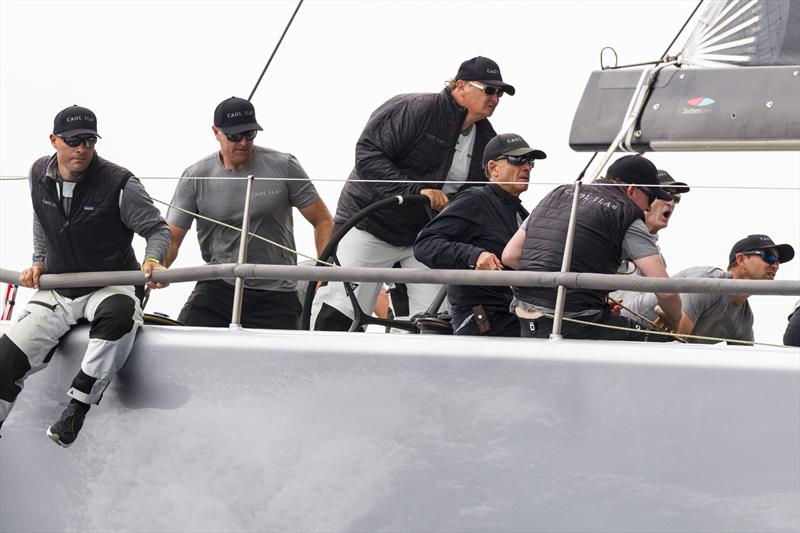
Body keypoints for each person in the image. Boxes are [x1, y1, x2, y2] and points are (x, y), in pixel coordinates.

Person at [0, 105, 170, 446]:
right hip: (59, 288)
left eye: (89, 141)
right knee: (4, 362)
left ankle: (76, 409)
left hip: (110, 284)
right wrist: (38, 261)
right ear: (54, 141)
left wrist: (153, 260)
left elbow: (157, 229)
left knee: (119, 315)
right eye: (73, 141)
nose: (81, 148)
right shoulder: (38, 173)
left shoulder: (121, 183)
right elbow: (41, 217)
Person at [313, 56, 514, 330]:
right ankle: (315, 369)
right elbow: (368, 155)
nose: (496, 97)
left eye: (500, 93)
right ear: (461, 86)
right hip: (370, 226)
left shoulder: (487, 139)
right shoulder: (414, 108)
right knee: (340, 310)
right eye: (489, 90)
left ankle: (412, 373)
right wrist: (417, 190)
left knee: (432, 322)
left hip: (425, 240)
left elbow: (476, 196)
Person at [165, 97, 333, 329]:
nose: (243, 143)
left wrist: (324, 269)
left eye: (250, 134)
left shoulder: (285, 165)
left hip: (276, 291)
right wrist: (158, 265)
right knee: (183, 345)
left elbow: (322, 219)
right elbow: (172, 238)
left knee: (285, 363)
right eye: (235, 136)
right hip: (219, 285)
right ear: (216, 132)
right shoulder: (196, 176)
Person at [502, 154, 682, 341]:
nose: (647, 207)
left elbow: (510, 256)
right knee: (665, 344)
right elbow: (666, 291)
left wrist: (589, 295)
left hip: (525, 318)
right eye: (651, 197)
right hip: (574, 322)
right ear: (631, 190)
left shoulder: (559, 193)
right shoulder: (626, 214)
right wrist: (674, 320)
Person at [414, 133, 544, 336]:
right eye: (518, 160)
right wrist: (474, 256)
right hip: (483, 321)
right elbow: (425, 244)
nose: (527, 167)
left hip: (515, 317)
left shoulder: (522, 214)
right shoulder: (475, 200)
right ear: (493, 168)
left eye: (530, 161)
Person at [625, 234, 795, 344]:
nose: (775, 265)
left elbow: (745, 366)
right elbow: (677, 345)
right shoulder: (707, 284)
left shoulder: (744, 319)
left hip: (649, 350)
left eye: (778, 261)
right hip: (624, 332)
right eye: (770, 257)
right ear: (741, 259)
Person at [612, 169, 690, 308]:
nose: (671, 203)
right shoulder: (613, 233)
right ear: (646, 195)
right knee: (693, 280)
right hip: (604, 319)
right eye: (665, 194)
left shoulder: (658, 257)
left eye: (676, 198)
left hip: (633, 324)